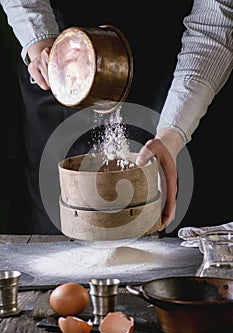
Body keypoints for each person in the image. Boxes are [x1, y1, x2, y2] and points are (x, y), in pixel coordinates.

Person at [0, 0, 232, 234]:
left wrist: (172, 135)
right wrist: (40, 42)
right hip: (63, 62)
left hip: (175, 71)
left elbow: (214, 21)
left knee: (176, 245)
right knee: (54, 241)